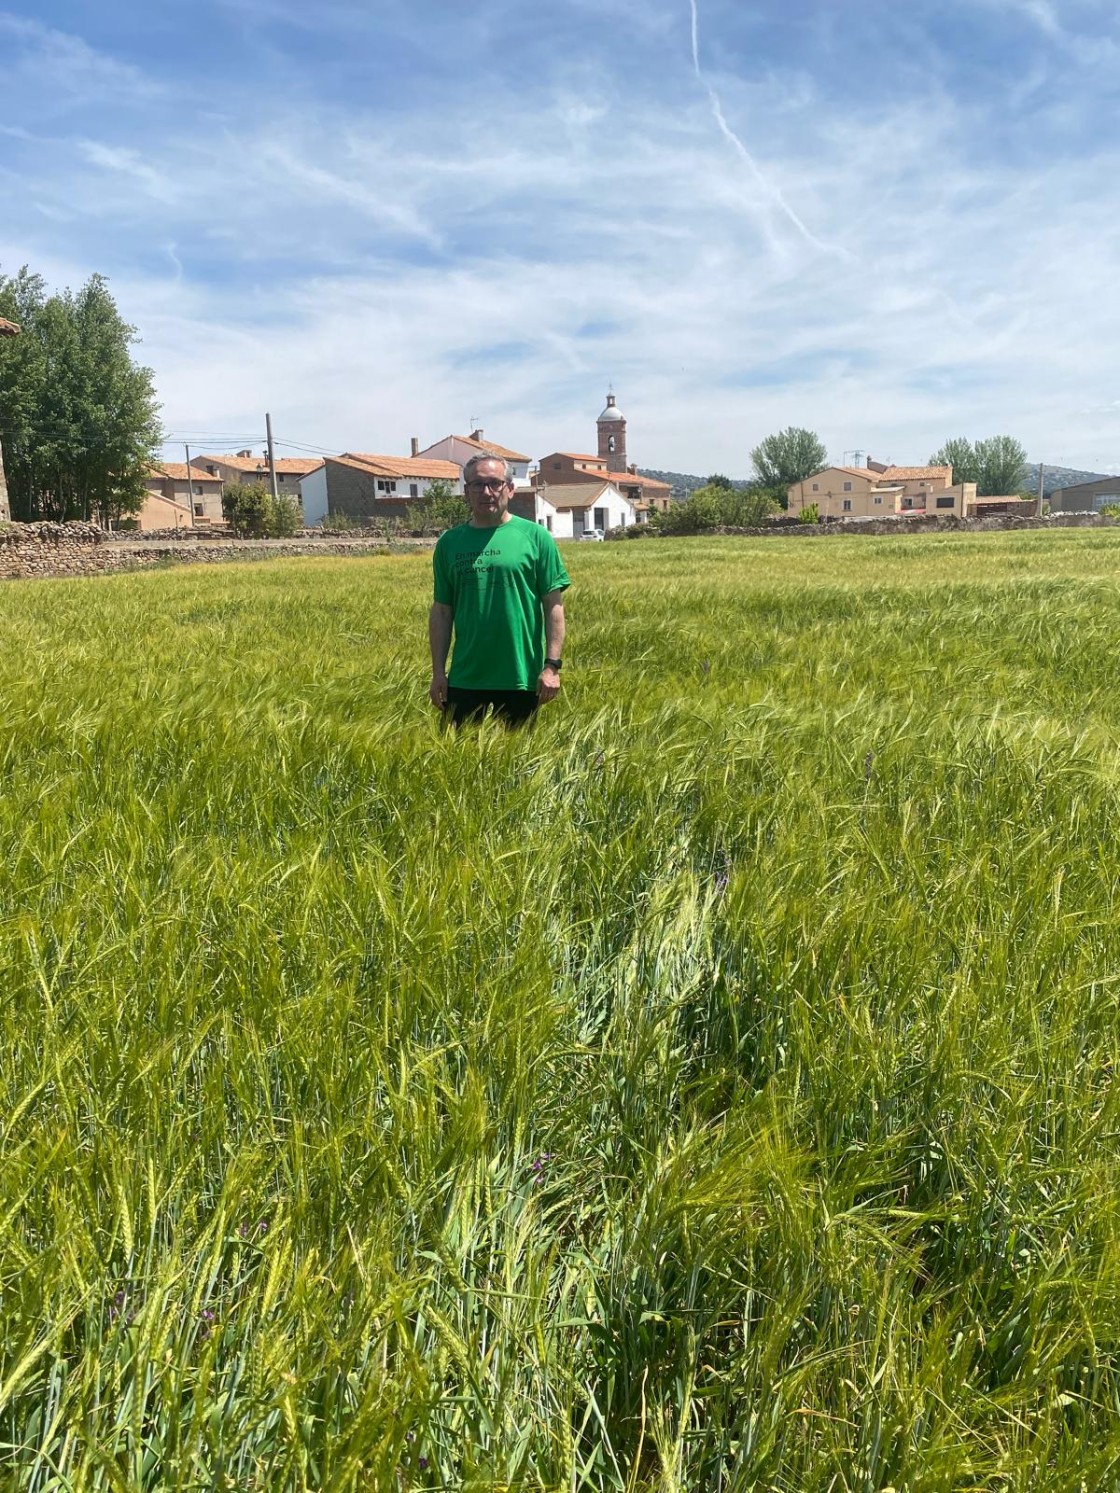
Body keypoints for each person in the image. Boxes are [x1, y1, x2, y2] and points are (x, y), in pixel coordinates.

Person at [429, 454, 570, 727]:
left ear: (510, 488)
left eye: (495, 483)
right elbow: (442, 611)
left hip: (520, 677)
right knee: (458, 762)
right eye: (477, 484)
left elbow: (553, 604)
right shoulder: (449, 543)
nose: (486, 492)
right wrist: (438, 672)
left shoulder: (536, 538)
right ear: (466, 492)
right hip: (465, 677)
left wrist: (552, 666)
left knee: (519, 764)